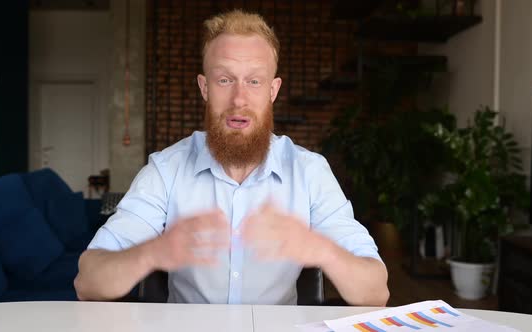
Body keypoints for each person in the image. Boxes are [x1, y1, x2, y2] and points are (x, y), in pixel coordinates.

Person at [74, 9, 389, 306]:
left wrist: (320, 249)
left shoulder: (310, 172)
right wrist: (153, 252)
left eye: (254, 81)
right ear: (205, 87)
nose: (239, 98)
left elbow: (375, 291)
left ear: (273, 90)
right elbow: (88, 282)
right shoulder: (165, 169)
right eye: (225, 80)